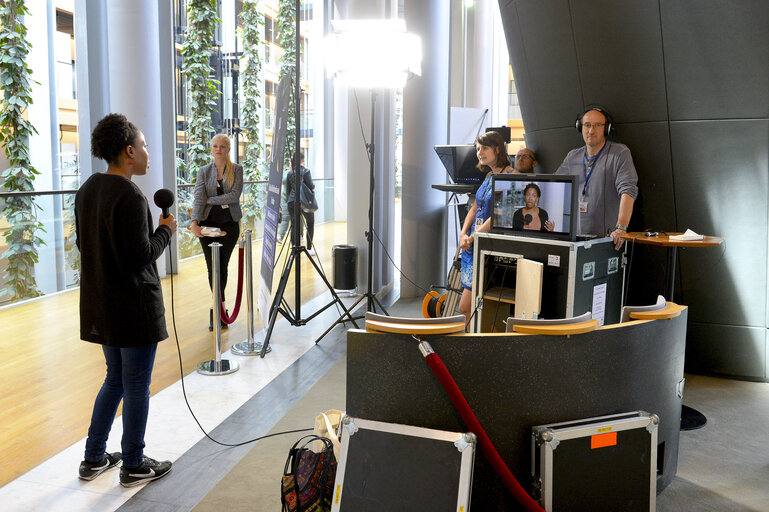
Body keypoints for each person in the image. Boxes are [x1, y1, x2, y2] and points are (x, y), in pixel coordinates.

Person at [75, 113, 177, 487]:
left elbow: (84, 246)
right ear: (129, 152)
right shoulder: (131, 196)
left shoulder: (87, 189)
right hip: (134, 310)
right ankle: (133, 463)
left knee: (115, 379)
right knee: (135, 385)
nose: (149, 152)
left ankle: (93, 457)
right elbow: (141, 255)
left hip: (102, 306)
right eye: (145, 145)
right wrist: (165, 230)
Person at [556, 106, 638, 249]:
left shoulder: (620, 153)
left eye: (597, 125)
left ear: (607, 129)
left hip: (608, 240)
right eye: (587, 125)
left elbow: (628, 190)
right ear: (580, 127)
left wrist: (621, 227)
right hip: (576, 241)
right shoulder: (572, 156)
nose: (591, 130)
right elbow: (556, 185)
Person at [189, 134, 243, 330]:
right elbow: (198, 196)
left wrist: (210, 200)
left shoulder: (236, 169)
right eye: (215, 146)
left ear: (228, 149)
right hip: (207, 225)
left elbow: (234, 196)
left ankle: (219, 308)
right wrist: (194, 222)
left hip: (229, 225)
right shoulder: (204, 171)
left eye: (222, 146)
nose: (218, 149)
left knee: (223, 265)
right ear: (211, 149)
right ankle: (218, 307)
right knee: (212, 267)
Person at [458, 131, 512, 325]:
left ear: (497, 148)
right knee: (468, 309)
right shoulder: (489, 175)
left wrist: (473, 236)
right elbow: (475, 207)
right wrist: (463, 233)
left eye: (484, 148)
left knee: (466, 308)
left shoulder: (511, 176)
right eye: (477, 149)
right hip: (473, 244)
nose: (480, 152)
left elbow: (500, 214)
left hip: (489, 246)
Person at [285, 151, 316, 256]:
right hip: (304, 202)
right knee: (310, 223)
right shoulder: (306, 171)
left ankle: (294, 248)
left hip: (292, 202)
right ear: (302, 159)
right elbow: (311, 186)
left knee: (294, 225)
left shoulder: (290, 173)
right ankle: (309, 248)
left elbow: (288, 191)